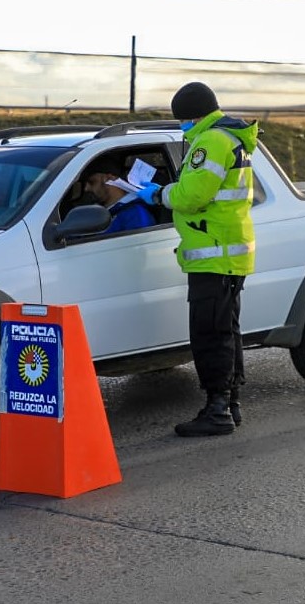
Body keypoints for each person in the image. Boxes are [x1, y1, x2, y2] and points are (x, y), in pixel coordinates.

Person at [135, 82, 258, 436]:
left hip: (214, 251)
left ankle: (217, 409)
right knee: (225, 329)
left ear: (192, 115)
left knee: (209, 333)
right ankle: (230, 404)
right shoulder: (229, 138)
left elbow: (191, 196)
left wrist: (157, 193)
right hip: (226, 249)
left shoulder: (211, 142)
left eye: (182, 120)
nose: (180, 126)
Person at [81, 156, 157, 234]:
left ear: (109, 179)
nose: (86, 189)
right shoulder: (95, 212)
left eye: (92, 182)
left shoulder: (136, 214)